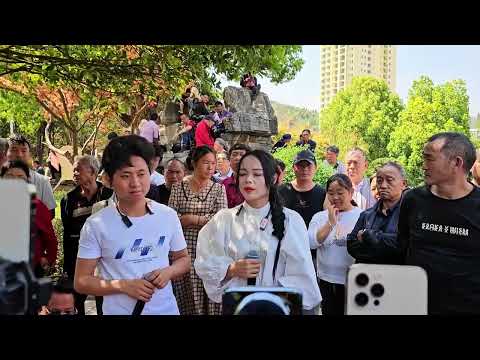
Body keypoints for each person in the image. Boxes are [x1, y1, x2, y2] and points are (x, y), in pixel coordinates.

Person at [75, 135, 190, 315]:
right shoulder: (96, 225)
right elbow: (81, 281)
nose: (135, 183)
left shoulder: (167, 216)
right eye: (126, 176)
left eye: (141, 174)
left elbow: (183, 259)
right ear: (109, 180)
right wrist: (123, 286)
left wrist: (169, 272)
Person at [195, 150, 321, 314]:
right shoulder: (224, 219)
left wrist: (267, 292)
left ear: (273, 178)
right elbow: (204, 262)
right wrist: (231, 269)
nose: (248, 180)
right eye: (243, 173)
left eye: (256, 174)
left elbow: (303, 278)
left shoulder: (290, 221)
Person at [398, 132, 480, 315]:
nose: (423, 165)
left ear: (456, 163)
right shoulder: (412, 200)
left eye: (429, 158)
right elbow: (402, 246)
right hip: (416, 307)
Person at [168, 146, 228, 315]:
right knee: (185, 295)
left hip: (210, 251)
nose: (210, 167)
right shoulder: (178, 188)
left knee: (209, 293)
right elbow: (171, 218)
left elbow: (221, 220)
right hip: (183, 250)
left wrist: (192, 219)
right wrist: (205, 219)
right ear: (194, 163)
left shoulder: (218, 189)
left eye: (213, 163)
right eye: (205, 163)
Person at [61, 155, 113, 315]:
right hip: (79, 257)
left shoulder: (109, 195)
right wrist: (68, 267)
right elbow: (67, 234)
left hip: (106, 260)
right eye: (74, 170)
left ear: (93, 172)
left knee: (103, 301)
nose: (74, 173)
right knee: (78, 301)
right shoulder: (68, 199)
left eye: (78, 169)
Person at [308, 174, 362, 315]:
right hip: (325, 279)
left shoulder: (362, 216)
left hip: (351, 281)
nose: (335, 197)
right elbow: (311, 243)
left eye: (340, 192)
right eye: (331, 193)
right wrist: (330, 223)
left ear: (351, 193)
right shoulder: (319, 217)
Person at [1, 160, 57, 278]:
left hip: (29, 271)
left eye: (20, 177)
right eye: (10, 176)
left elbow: (50, 237)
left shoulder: (37, 206)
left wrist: (48, 258)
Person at [347, 162, 407, 265]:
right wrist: (386, 243)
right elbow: (351, 245)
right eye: (379, 181)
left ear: (403, 184)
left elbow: (404, 246)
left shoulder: (410, 214)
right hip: (369, 276)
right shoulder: (366, 215)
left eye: (389, 180)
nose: (383, 186)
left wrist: (369, 235)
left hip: (398, 276)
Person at [7, 134, 56, 218]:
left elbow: (50, 213)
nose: (19, 154)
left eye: (24, 150)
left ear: (29, 154)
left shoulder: (42, 181)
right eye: (14, 150)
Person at [222, 143, 252, 208]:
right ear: (229, 160)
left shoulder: (254, 183)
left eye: (242, 155)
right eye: (234, 155)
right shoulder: (224, 184)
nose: (238, 158)